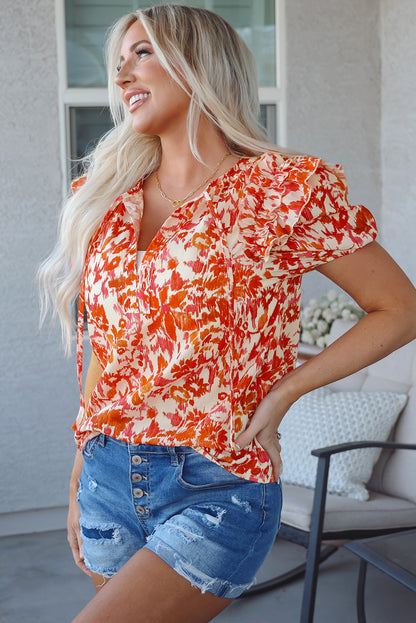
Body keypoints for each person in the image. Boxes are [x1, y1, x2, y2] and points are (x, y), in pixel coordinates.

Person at [38, 5, 416, 623]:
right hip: (109, 475)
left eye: (142, 54)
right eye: (117, 63)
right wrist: (82, 472)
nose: (123, 76)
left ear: (199, 64)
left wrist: (284, 393)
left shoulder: (280, 190)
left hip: (217, 480)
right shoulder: (103, 199)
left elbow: (399, 309)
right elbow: (102, 343)